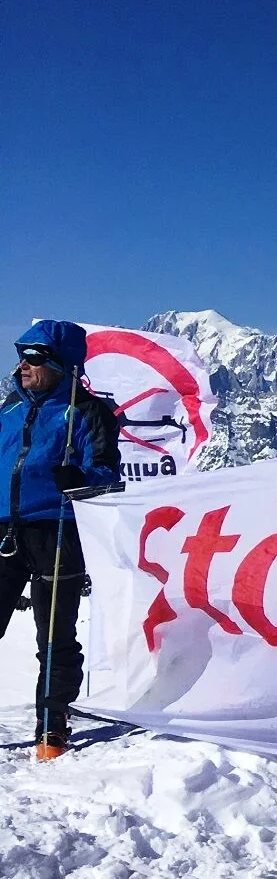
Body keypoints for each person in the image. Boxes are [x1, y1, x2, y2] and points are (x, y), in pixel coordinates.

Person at [0, 321, 121, 761]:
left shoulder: (86, 412)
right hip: (5, 530)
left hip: (58, 530)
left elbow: (108, 474)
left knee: (54, 636)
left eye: (34, 358)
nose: (23, 366)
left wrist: (81, 480)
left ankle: (52, 729)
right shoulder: (10, 411)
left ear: (58, 364)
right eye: (22, 356)